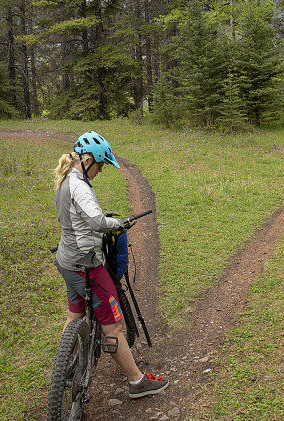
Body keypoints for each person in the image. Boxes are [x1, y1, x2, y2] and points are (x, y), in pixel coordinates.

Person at [53, 131, 169, 399]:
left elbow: (77, 218)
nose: (100, 171)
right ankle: (137, 382)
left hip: (67, 261)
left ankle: (65, 366)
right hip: (86, 264)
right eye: (100, 165)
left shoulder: (66, 177)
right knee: (113, 326)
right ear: (88, 160)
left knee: (75, 315)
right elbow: (95, 222)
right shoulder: (80, 186)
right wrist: (117, 223)